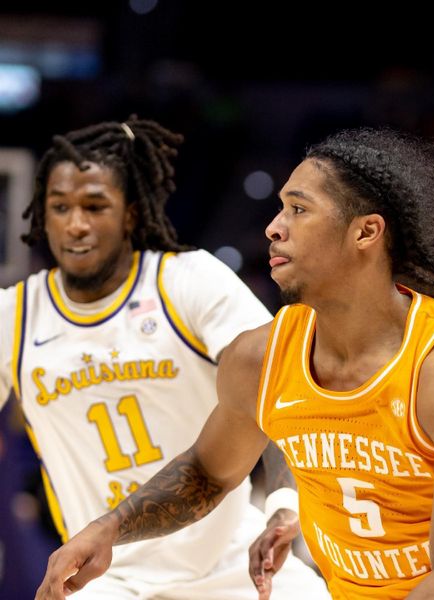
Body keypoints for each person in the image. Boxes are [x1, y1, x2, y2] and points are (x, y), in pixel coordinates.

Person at [35, 127, 434, 600]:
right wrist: (106, 530)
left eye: (298, 208)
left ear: (365, 232)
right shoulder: (260, 357)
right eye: (278, 209)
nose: (272, 227)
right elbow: (207, 473)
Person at [0, 117, 329, 599]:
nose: (76, 223)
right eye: (60, 207)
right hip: (104, 575)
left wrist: (284, 501)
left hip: (234, 565)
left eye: (95, 206)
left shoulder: (188, 281)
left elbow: (279, 388)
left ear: (131, 213)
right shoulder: (15, 315)